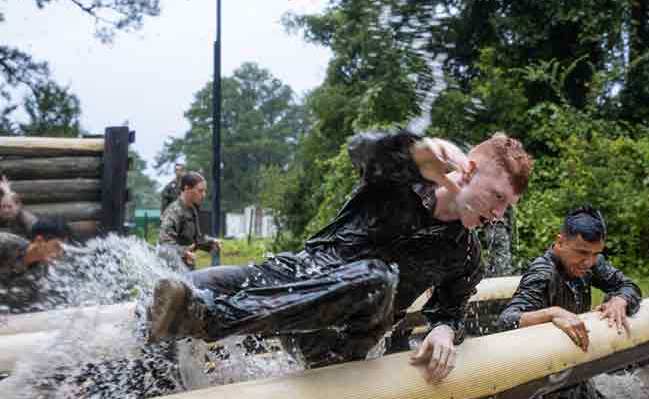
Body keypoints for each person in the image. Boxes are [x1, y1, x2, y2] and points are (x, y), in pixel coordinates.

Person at [147, 129, 534, 383]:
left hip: (339, 339)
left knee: (376, 278)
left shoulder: (465, 254)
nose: (498, 215)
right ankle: (150, 390)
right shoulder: (398, 179)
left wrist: (445, 329)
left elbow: (451, 310)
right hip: (297, 279)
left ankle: (211, 320)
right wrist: (418, 152)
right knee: (185, 288)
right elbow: (360, 148)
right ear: (468, 171)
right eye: (497, 198)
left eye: (507, 206)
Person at [494, 206, 642, 399]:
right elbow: (506, 321)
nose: (588, 262)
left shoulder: (591, 263)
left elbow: (629, 286)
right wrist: (552, 313)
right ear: (560, 242)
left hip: (574, 378)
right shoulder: (542, 273)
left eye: (595, 254)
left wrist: (620, 300)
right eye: (582, 253)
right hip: (536, 394)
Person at [158, 171, 220, 270]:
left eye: (205, 191)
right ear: (187, 189)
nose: (203, 195)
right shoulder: (174, 212)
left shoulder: (191, 209)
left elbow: (194, 239)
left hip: (187, 268)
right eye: (200, 191)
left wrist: (210, 243)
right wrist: (183, 252)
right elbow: (164, 244)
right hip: (171, 271)